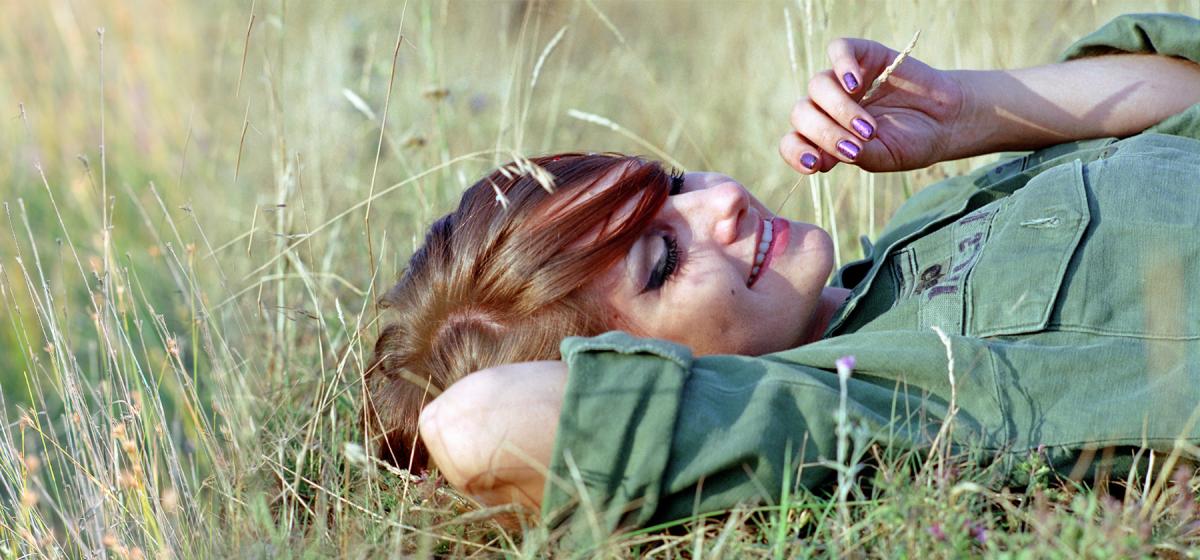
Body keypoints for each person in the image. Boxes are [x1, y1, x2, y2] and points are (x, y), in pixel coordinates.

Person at [362, 13, 1200, 544]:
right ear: (646, 371)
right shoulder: (857, 400)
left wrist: (966, 111)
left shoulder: (923, 220)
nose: (724, 199)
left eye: (677, 186)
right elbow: (481, 427)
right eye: (666, 261)